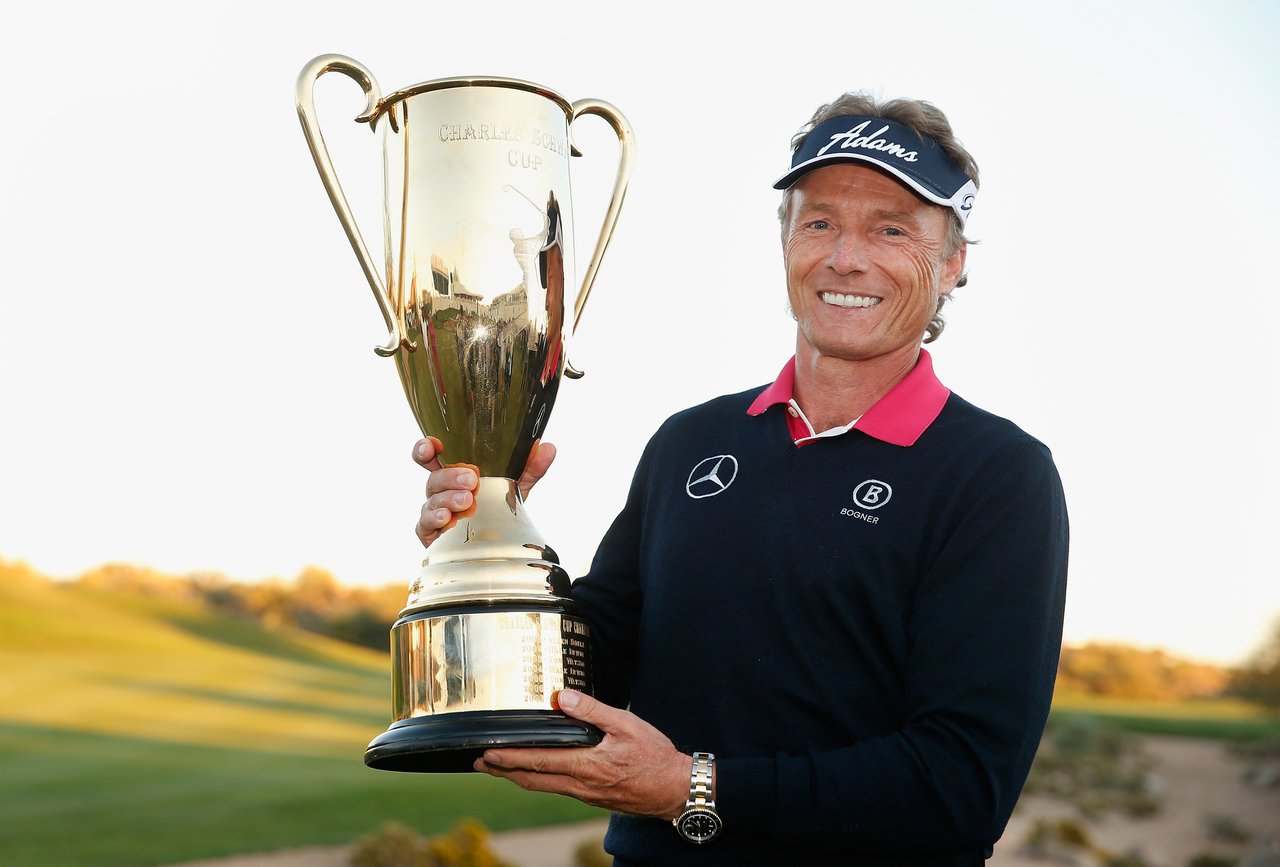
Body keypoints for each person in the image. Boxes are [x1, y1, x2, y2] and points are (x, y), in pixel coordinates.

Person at [413, 92, 1069, 866]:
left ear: (954, 261)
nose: (846, 257)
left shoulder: (998, 476)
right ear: (785, 237)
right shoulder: (691, 442)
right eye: (820, 221)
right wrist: (487, 547)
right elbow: (593, 658)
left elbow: (960, 786)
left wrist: (691, 787)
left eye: (892, 229)